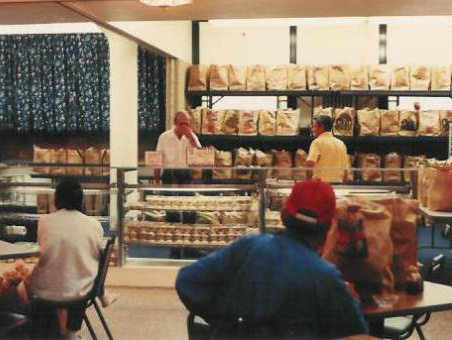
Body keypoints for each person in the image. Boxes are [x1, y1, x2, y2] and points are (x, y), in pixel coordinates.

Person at [176, 179, 368, 339]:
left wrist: (229, 320)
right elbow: (356, 333)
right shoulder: (326, 277)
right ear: (328, 228)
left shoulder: (248, 245)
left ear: (284, 215)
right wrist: (352, 299)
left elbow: (187, 281)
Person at [29, 178, 116, 338]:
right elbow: (96, 256)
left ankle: (44, 329)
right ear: (81, 200)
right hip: (80, 292)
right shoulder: (94, 225)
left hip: (44, 291)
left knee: (24, 288)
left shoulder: (44, 221)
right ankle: (70, 332)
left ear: (56, 199)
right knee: (80, 274)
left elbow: (44, 251)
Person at [154, 110, 201, 185]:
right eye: (181, 124)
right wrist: (156, 182)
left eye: (186, 124)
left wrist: (191, 139)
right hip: (169, 173)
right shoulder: (164, 137)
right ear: (175, 124)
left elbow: (201, 157)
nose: (184, 127)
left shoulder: (192, 137)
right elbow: (157, 161)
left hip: (186, 173)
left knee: (187, 196)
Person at [307, 115, 349, 182]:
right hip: (338, 185)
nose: (312, 130)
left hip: (321, 186)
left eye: (314, 127)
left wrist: (308, 183)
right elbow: (346, 170)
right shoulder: (341, 144)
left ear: (322, 127)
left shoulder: (317, 142)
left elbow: (310, 164)